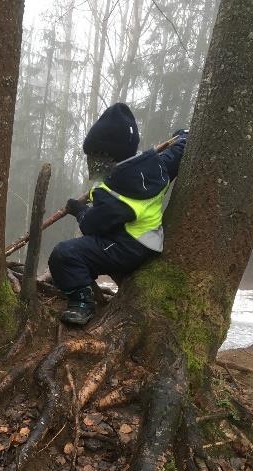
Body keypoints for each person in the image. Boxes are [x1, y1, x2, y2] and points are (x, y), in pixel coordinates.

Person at [48, 102, 188, 325]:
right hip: (145, 239)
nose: (92, 161)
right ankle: (74, 279)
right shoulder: (155, 167)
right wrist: (182, 137)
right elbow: (176, 153)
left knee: (64, 254)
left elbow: (91, 225)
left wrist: (79, 210)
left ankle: (82, 303)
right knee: (82, 250)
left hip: (127, 247)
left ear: (108, 156)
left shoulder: (115, 190)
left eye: (95, 155)